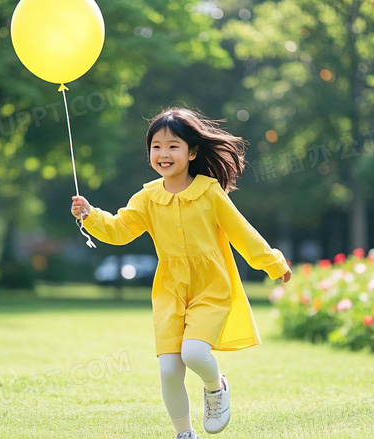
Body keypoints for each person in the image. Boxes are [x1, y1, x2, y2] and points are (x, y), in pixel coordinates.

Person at [71, 107, 291, 439]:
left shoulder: (209, 191)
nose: (163, 153)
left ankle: (216, 388)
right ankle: (184, 434)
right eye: (156, 146)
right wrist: (90, 215)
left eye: (173, 145)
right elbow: (118, 229)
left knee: (194, 353)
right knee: (169, 369)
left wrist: (274, 263)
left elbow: (241, 233)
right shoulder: (147, 197)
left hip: (210, 289)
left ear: (192, 152)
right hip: (169, 292)